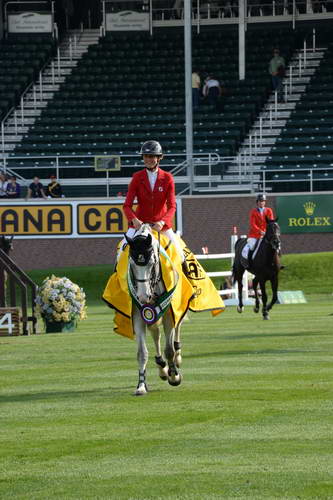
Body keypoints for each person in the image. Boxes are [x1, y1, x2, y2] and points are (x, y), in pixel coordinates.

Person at [123, 140, 186, 269]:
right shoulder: (136, 177)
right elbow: (127, 206)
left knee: (180, 254)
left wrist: (162, 222)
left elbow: (172, 206)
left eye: (152, 156)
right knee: (121, 253)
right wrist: (134, 219)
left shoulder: (168, 178)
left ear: (159, 158)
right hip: (140, 225)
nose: (148, 159)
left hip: (161, 226)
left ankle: (190, 284)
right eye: (146, 156)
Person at [241, 194, 274, 268]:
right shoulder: (253, 212)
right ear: (257, 202)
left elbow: (271, 222)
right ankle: (249, 263)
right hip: (255, 235)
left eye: (263, 201)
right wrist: (260, 231)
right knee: (252, 246)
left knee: (275, 245)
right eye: (260, 201)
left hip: (266, 235)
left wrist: (266, 232)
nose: (261, 202)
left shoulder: (269, 210)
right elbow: (253, 225)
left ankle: (275, 263)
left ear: (265, 202)